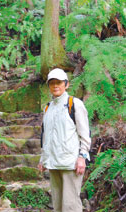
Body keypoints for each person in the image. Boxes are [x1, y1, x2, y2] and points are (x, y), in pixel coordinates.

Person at [38, 68, 91, 212]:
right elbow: (45, 136)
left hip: (71, 163)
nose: (55, 86)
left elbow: (85, 135)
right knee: (58, 206)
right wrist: (43, 158)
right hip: (54, 163)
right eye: (52, 83)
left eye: (59, 82)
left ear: (66, 84)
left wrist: (82, 157)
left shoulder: (74, 104)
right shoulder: (48, 108)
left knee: (71, 206)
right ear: (49, 86)